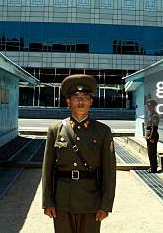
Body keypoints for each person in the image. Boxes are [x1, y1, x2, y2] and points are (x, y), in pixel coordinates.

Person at [42, 74, 117, 233]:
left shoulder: (103, 131)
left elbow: (109, 172)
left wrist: (105, 204)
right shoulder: (55, 129)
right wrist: (48, 201)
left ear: (91, 101)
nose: (81, 101)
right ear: (68, 102)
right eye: (76, 97)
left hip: (91, 199)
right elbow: (47, 169)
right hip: (62, 200)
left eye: (85, 97)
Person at [145, 99, 160, 173]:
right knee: (150, 153)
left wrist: (152, 137)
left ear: (153, 106)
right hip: (149, 136)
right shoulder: (150, 115)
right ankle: (152, 167)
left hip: (152, 136)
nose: (148, 107)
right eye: (148, 106)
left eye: (149, 106)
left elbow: (154, 128)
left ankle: (154, 168)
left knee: (152, 153)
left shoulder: (155, 115)